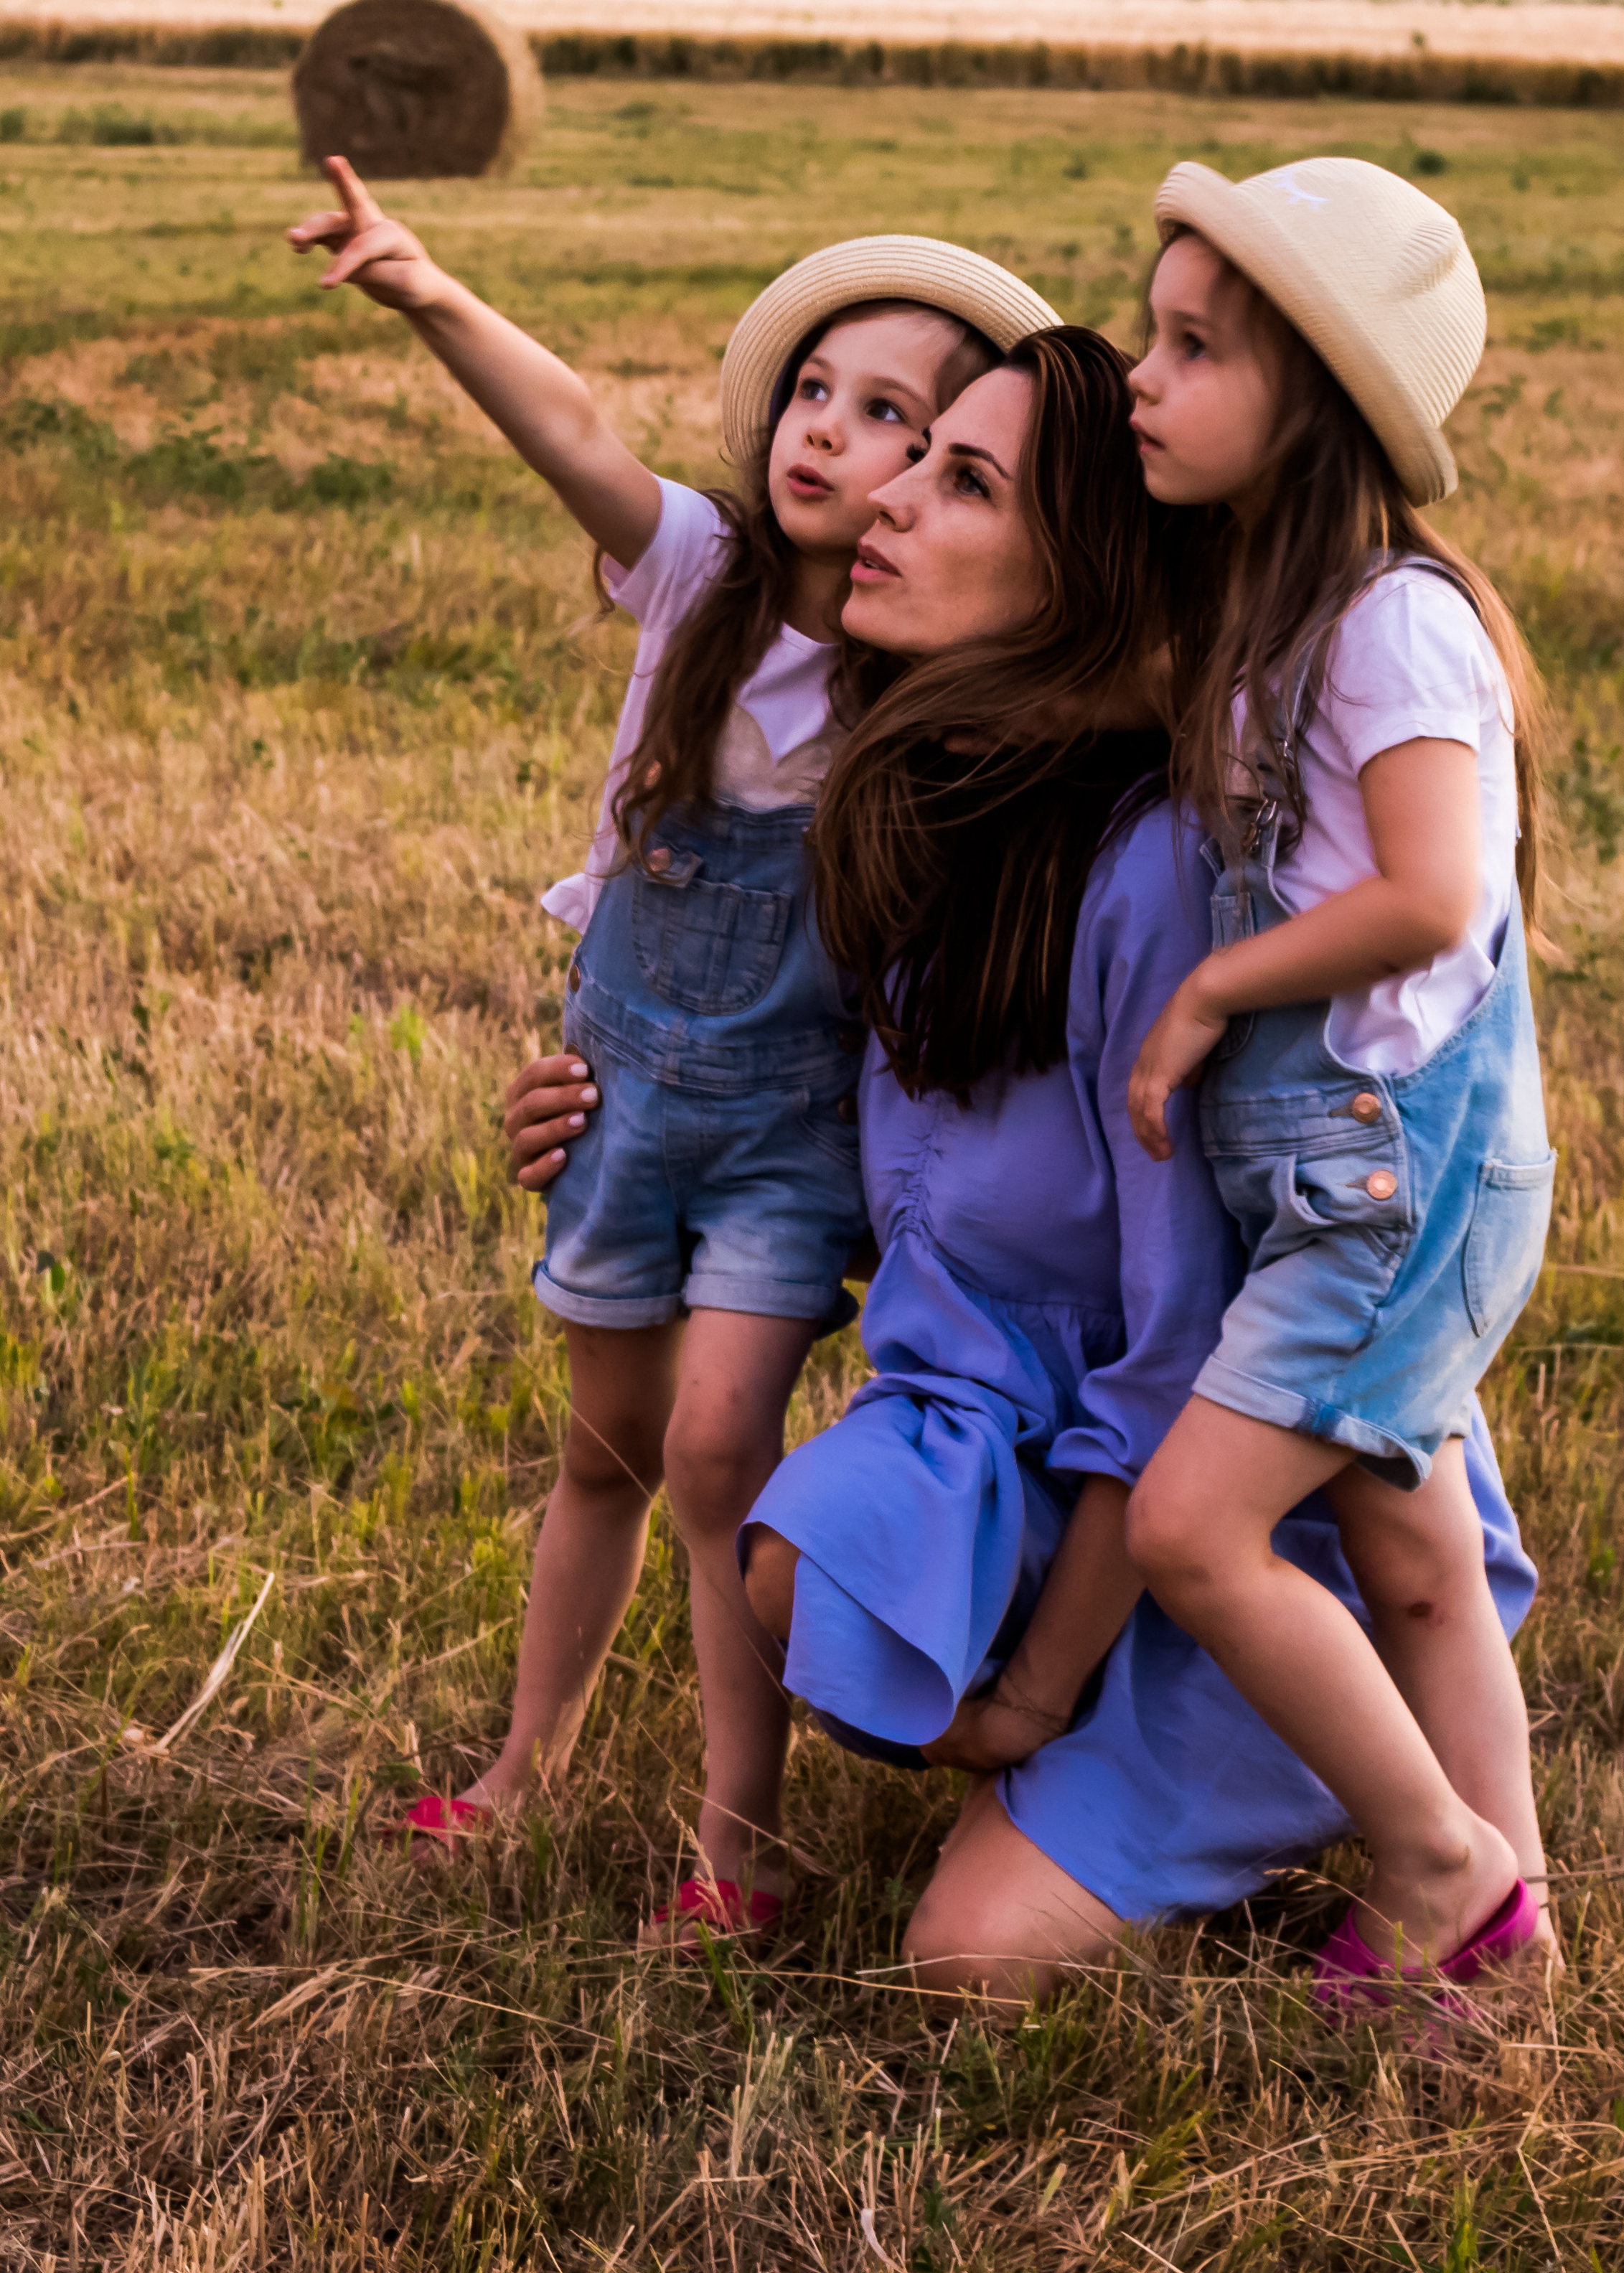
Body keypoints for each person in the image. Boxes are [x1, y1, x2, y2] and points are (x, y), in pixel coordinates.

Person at [718, 322, 1544, 2005]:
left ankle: (1380, 1815)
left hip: (1217, 1489)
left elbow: (1179, 1359)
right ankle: (1111, 1743)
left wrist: (1030, 1691)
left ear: (1079, 570)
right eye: (909, 454)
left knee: (963, 1964)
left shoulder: (1161, 874)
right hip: (1026, 1458)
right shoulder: (927, 821)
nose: (882, 493)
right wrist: (595, 1111)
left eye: (960, 480)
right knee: (793, 1565)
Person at [287, 158, 1057, 1935]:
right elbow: (564, 424)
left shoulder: (927, 678)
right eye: (811, 391)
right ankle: (525, 1760)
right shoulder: (697, 571)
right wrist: (427, 291)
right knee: (605, 1447)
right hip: (624, 1090)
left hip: (792, 1132)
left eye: (890, 418)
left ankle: (739, 1841)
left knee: (720, 1450)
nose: (822, 435)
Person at [1122, 157, 1554, 2006]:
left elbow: (1431, 892)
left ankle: (1443, 1863)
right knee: (1417, 1560)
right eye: (1147, 327)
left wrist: (1212, 984)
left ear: (1308, 407)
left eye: (1190, 346)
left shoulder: (1392, 623)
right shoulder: (1272, 621)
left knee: (1192, 1531)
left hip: (1391, 1182)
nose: (1141, 372)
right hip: (1347, 1178)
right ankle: (1507, 1949)